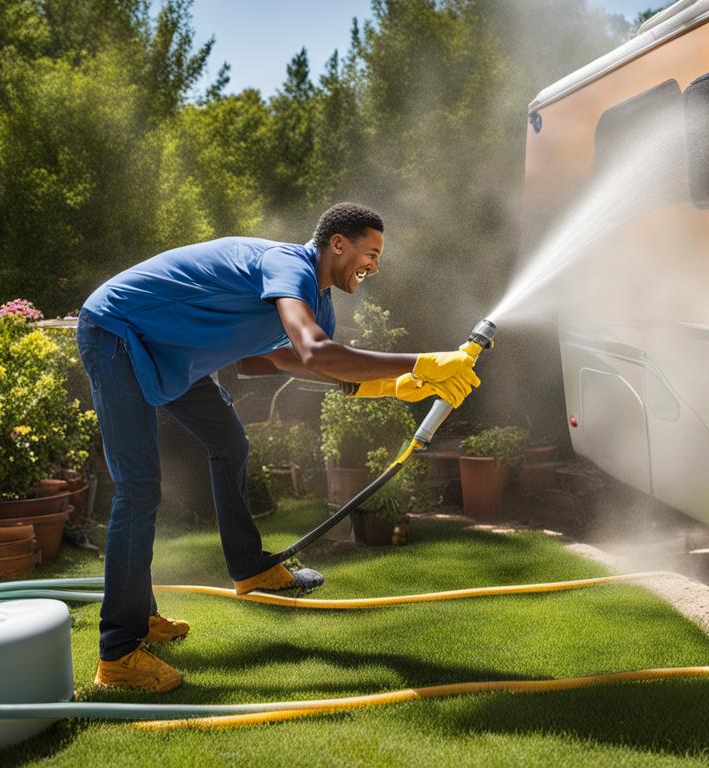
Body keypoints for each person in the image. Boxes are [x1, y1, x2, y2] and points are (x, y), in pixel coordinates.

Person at [76, 203, 479, 692]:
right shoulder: (289, 264)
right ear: (337, 244)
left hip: (172, 351)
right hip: (118, 331)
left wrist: (397, 384)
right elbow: (314, 352)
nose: (373, 265)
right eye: (369, 252)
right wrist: (422, 361)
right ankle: (119, 651)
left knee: (229, 441)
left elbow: (276, 361)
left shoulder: (317, 302)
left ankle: (249, 569)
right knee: (139, 490)